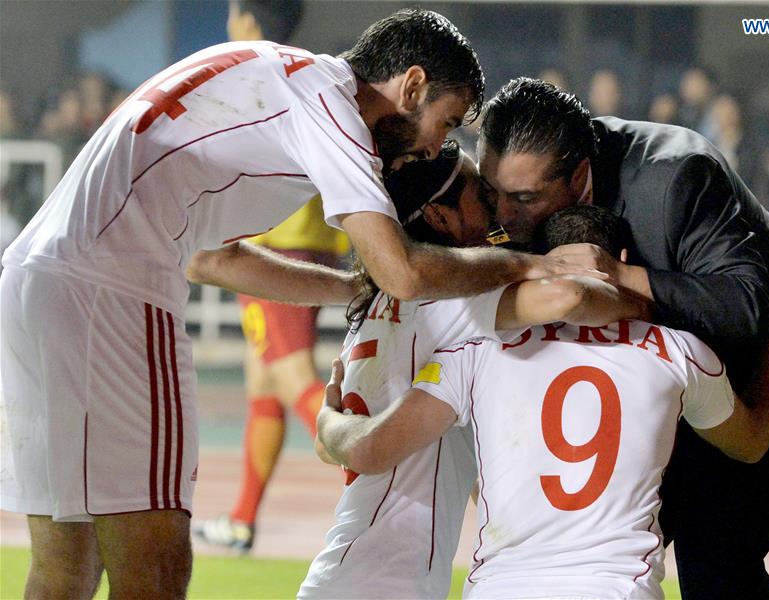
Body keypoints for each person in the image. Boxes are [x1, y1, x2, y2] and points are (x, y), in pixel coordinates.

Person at [0, 14, 594, 598]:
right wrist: (530, 263)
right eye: (446, 122)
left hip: (35, 278)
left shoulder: (276, 75)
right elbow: (405, 273)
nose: (437, 145)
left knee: (65, 568)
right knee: (154, 571)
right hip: (114, 290)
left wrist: (348, 290)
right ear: (412, 86)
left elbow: (214, 261)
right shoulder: (332, 107)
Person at [475, 78, 769, 598]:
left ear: (581, 175)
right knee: (600, 540)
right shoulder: (511, 190)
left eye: (523, 198)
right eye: (492, 191)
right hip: (680, 382)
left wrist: (621, 276)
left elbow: (746, 306)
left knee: (713, 557)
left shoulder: (675, 175)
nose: (502, 215)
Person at [316, 205, 769, 599]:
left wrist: (328, 423)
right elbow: (752, 444)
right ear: (620, 261)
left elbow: (367, 451)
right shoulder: (678, 352)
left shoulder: (475, 352)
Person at [299, 145, 645, 599]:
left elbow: (345, 448)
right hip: (384, 584)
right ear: (442, 218)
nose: (497, 207)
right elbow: (565, 297)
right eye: (480, 193)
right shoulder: (451, 303)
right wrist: (648, 297)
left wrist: (329, 428)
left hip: (348, 573)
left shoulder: (377, 305)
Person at [191, 0, 351, 554]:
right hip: (312, 244)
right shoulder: (310, 72)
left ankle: (373, 478)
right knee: (262, 384)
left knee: (290, 378)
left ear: (248, 19)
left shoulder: (247, 72)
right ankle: (241, 521)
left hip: (271, 252)